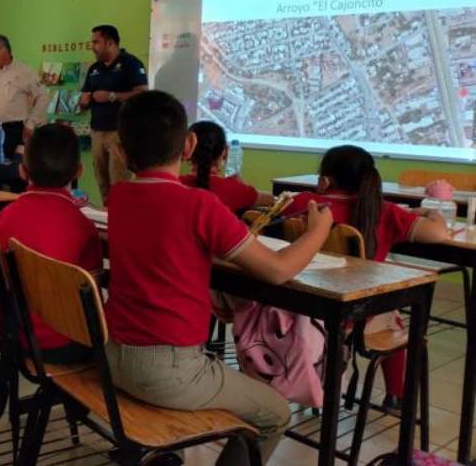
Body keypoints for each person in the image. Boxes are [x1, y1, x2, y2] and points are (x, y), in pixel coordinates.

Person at [106, 91, 333, 466]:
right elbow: (277, 270)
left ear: (119, 149)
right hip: (171, 371)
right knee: (276, 414)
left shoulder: (118, 196)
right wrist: (318, 230)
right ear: (188, 145)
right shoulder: (198, 205)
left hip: (113, 356)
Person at [283, 144, 449, 410]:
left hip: (302, 311)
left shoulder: (305, 203)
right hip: (356, 317)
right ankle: (396, 395)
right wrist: (431, 212)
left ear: (325, 181)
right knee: (393, 315)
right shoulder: (384, 211)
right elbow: (439, 234)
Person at [0, 123, 101, 363]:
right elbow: (93, 292)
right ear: (79, 171)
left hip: (7, 332)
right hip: (63, 341)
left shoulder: (5, 216)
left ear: (22, 171)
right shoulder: (83, 226)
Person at [78, 25, 147, 202]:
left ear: (110, 43)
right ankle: (108, 215)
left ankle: (123, 215)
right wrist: (84, 101)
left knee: (120, 182)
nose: (92, 46)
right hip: (97, 131)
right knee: (102, 181)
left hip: (120, 132)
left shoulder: (131, 63)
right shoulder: (94, 68)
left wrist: (112, 96)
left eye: (96, 42)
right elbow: (85, 98)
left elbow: (142, 94)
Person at [0, 35, 49, 160]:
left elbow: (43, 96)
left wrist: (31, 123)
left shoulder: (24, 71)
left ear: (4, 51)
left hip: (12, 131)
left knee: (10, 167)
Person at [181, 121, 274, 213]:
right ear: (224, 152)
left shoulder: (177, 183)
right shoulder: (233, 189)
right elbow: (274, 200)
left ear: (188, 149)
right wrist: (235, 172)